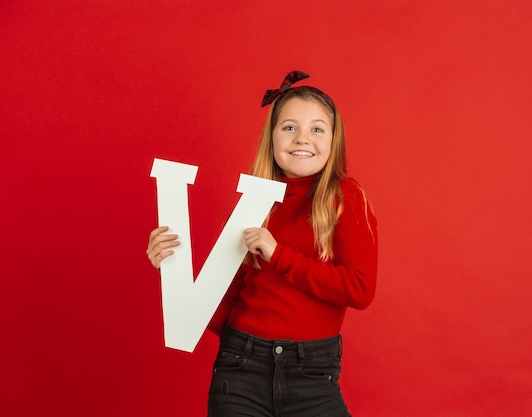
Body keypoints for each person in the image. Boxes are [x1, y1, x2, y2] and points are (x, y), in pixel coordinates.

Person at [146, 70, 378, 417]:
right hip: (241, 366)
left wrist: (278, 255)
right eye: (289, 127)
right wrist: (173, 273)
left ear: (334, 140)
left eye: (317, 129)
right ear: (272, 137)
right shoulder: (252, 206)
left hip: (312, 372)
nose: (303, 138)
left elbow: (359, 289)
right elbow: (226, 305)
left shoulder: (344, 197)